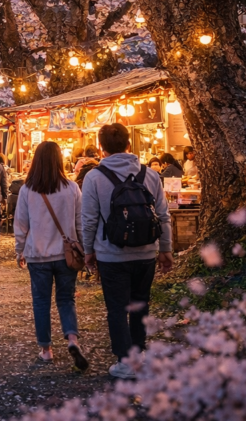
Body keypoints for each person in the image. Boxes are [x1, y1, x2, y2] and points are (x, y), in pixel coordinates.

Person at [82, 123, 173, 380]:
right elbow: (163, 216)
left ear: (101, 147)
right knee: (140, 304)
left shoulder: (94, 177)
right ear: (129, 145)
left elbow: (88, 219)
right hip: (146, 253)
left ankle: (124, 361)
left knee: (117, 308)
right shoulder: (150, 175)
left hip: (111, 254)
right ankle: (139, 355)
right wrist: (165, 249)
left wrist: (89, 251)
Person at [14, 141, 89, 371]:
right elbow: (80, 222)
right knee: (67, 299)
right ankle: (72, 339)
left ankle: (46, 349)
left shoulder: (28, 189)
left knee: (41, 302)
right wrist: (85, 250)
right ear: (59, 160)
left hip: (38, 254)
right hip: (66, 254)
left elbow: (21, 224)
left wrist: (19, 249)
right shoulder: (72, 188)